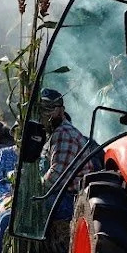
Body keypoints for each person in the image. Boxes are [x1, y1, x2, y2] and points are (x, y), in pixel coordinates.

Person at [38, 90, 91, 223]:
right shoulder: (53, 133)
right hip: (62, 197)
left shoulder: (64, 134)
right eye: (42, 109)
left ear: (61, 110)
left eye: (49, 108)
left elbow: (56, 178)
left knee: (13, 217)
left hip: (70, 201)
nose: (45, 114)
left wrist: (31, 191)